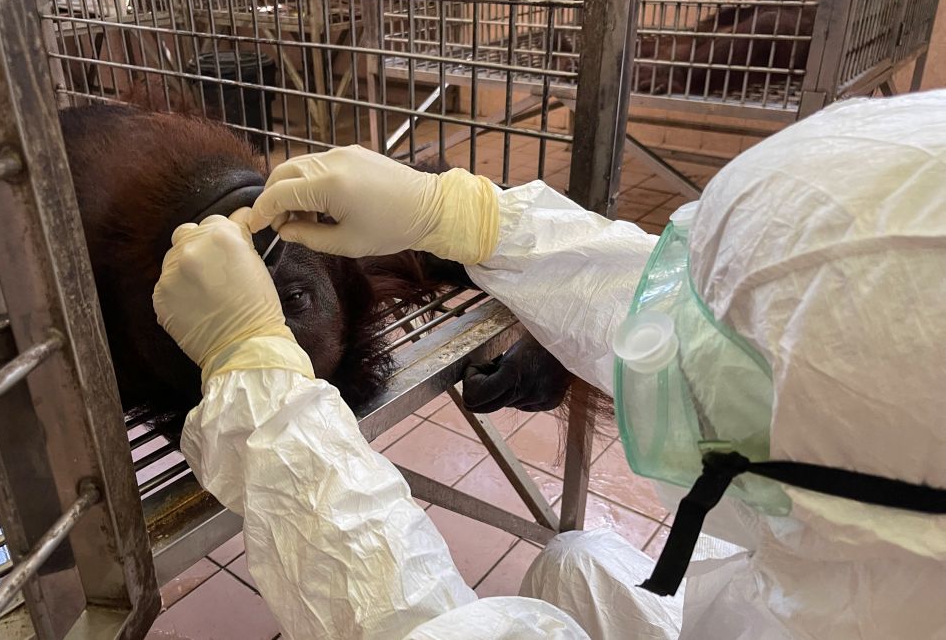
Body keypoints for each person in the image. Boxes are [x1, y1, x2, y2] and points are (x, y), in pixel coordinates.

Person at [153, 90, 946, 639]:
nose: (672, 344)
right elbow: (707, 307)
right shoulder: (902, 511)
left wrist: (254, 379)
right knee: (583, 564)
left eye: (739, 377)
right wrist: (465, 216)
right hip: (751, 605)